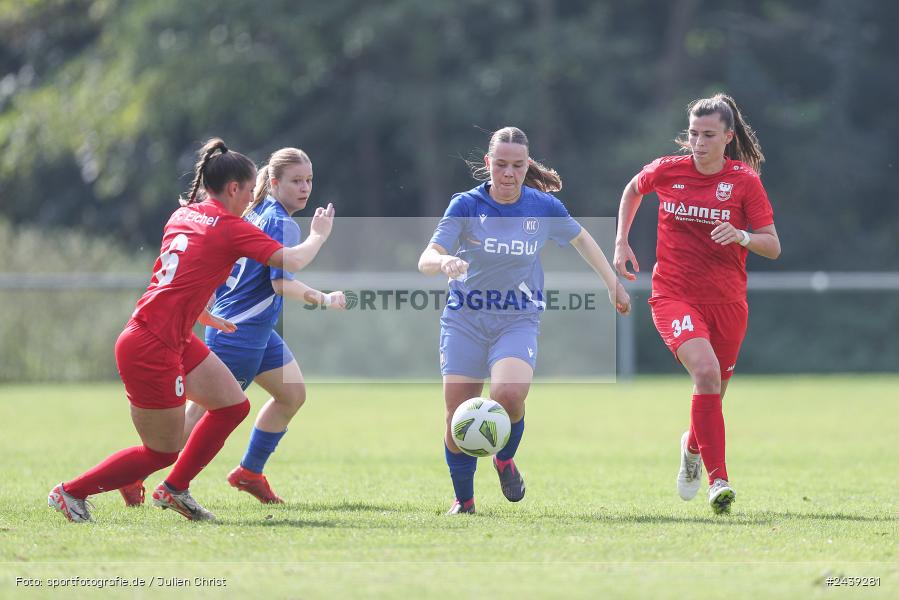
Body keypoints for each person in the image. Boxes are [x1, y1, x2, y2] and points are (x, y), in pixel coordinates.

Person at [48, 138, 336, 522]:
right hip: (152, 345)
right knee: (162, 450)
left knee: (234, 406)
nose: (254, 196)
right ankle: (70, 492)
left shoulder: (182, 215)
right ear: (233, 189)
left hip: (172, 334)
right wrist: (319, 234)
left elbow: (180, 273)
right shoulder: (231, 228)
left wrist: (200, 313)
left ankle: (175, 490)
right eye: (251, 189)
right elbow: (293, 260)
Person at [418, 126, 631, 515]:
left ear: (527, 164)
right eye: (500, 165)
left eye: (517, 165)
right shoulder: (466, 205)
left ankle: (503, 459)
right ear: (488, 164)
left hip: (517, 319)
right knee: (457, 419)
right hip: (464, 320)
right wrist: (444, 260)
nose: (509, 174)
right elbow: (426, 257)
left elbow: (582, 238)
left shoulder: (542, 207)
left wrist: (611, 284)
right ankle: (463, 501)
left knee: (510, 395)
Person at [117, 147, 345, 507]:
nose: (304, 188)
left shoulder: (256, 213)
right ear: (273, 182)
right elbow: (280, 283)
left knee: (292, 394)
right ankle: (142, 477)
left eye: (309, 180)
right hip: (240, 332)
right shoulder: (281, 221)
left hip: (256, 328)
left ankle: (249, 473)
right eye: (296, 181)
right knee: (201, 417)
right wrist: (325, 296)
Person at [613, 93, 781, 514]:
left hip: (727, 303)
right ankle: (718, 480)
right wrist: (621, 241)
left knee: (713, 394)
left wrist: (741, 235)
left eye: (708, 135)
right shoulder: (668, 171)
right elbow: (633, 190)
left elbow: (773, 246)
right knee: (704, 373)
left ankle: (691, 448)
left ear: (728, 137)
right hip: (673, 295)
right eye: (693, 134)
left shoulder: (744, 181)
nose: (698, 142)